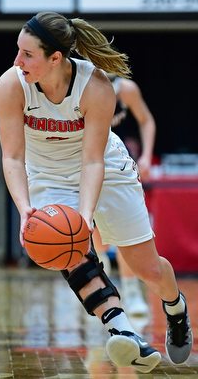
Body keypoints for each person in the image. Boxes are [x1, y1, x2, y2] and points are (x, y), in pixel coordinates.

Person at [0, 11, 192, 373]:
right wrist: (25, 209)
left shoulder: (96, 86)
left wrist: (85, 217)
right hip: (48, 174)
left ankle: (176, 308)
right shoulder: (10, 85)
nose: (16, 61)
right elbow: (13, 156)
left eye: (27, 55)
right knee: (66, 249)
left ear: (56, 58)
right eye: (17, 51)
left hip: (105, 167)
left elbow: (92, 162)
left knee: (146, 267)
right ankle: (122, 328)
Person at [93, 73, 157, 316]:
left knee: (124, 233)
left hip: (119, 164)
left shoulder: (126, 89)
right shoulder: (79, 88)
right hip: (89, 162)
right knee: (95, 230)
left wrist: (146, 156)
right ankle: (103, 277)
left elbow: (146, 120)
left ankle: (131, 291)